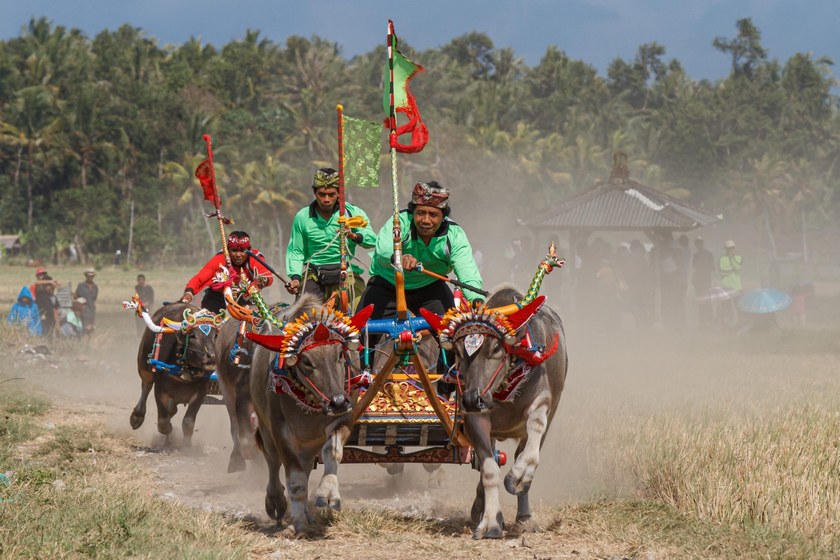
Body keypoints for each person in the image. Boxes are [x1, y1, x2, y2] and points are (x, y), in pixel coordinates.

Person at [359, 180, 484, 323]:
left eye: (433, 215)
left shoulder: (455, 235)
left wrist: (475, 299)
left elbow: (467, 271)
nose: (426, 220)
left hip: (430, 288)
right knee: (357, 335)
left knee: (452, 336)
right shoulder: (398, 222)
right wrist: (399, 257)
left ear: (443, 217)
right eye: (420, 213)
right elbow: (383, 250)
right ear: (413, 213)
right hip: (387, 284)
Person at [285, 168, 376, 308]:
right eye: (322, 194)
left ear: (339, 193)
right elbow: (296, 251)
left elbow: (372, 240)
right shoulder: (302, 217)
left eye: (331, 194)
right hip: (314, 274)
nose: (326, 199)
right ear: (315, 192)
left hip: (346, 272)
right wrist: (295, 278)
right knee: (304, 315)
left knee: (360, 311)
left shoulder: (352, 213)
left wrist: (353, 235)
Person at [181, 231, 273, 314]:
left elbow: (267, 275)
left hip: (246, 298)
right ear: (228, 250)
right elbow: (200, 278)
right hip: (218, 298)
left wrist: (262, 281)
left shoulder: (255, 258)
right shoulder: (220, 259)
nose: (238, 255)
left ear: (249, 250)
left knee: (258, 321)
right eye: (234, 250)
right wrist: (189, 293)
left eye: (242, 251)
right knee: (207, 321)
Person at [691, 237, 715, 326]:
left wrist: (704, 269)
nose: (699, 245)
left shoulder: (709, 254)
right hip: (698, 281)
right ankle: (702, 321)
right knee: (700, 300)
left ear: (703, 243)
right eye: (697, 243)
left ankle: (710, 319)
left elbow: (712, 267)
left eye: (700, 243)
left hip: (706, 280)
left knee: (708, 300)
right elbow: (694, 266)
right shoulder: (695, 255)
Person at [719, 240, 743, 327]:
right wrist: (731, 269)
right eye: (729, 248)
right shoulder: (722, 259)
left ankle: (740, 324)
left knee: (739, 307)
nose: (731, 250)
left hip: (737, 287)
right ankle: (727, 325)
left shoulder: (738, 258)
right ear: (726, 249)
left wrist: (731, 259)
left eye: (732, 248)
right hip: (726, 287)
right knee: (726, 309)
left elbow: (737, 268)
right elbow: (722, 271)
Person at [74, 268, 99, 335]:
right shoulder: (81, 286)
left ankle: (87, 345)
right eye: (89, 276)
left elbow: (94, 299)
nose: (90, 277)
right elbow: (76, 297)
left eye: (92, 276)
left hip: (91, 311)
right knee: (83, 329)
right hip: (83, 311)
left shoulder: (95, 287)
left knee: (90, 330)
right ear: (86, 276)